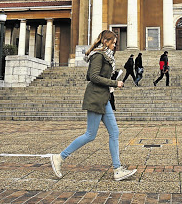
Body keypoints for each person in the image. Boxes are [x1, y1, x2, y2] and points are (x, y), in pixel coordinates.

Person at [49, 30, 137, 181]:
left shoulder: (107, 57)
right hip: (96, 97)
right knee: (90, 134)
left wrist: (112, 78)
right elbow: (93, 76)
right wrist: (114, 82)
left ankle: (117, 169)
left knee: (114, 132)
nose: (115, 45)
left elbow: (101, 75)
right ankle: (59, 157)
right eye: (113, 42)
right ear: (105, 41)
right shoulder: (98, 55)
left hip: (104, 98)